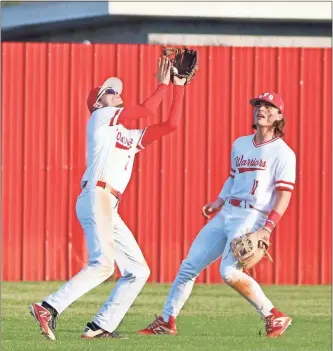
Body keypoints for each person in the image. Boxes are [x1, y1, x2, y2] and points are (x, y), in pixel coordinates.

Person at [29, 56, 187, 340]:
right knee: (102, 264)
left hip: (109, 204)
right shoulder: (100, 118)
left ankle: (101, 326)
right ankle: (48, 306)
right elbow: (147, 108)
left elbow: (171, 125)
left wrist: (179, 86)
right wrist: (162, 85)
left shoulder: (127, 135)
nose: (117, 94)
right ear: (98, 103)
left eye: (116, 91)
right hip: (96, 194)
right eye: (110, 92)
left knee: (138, 270)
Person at [138, 92, 296, 338]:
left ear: (279, 116)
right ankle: (167, 320)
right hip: (227, 211)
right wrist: (218, 201)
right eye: (258, 105)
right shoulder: (241, 144)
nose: (261, 110)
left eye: (268, 106)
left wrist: (267, 228)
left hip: (251, 217)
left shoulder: (283, 153)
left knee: (229, 272)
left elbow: (283, 195)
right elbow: (233, 177)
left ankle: (273, 315)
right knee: (188, 266)